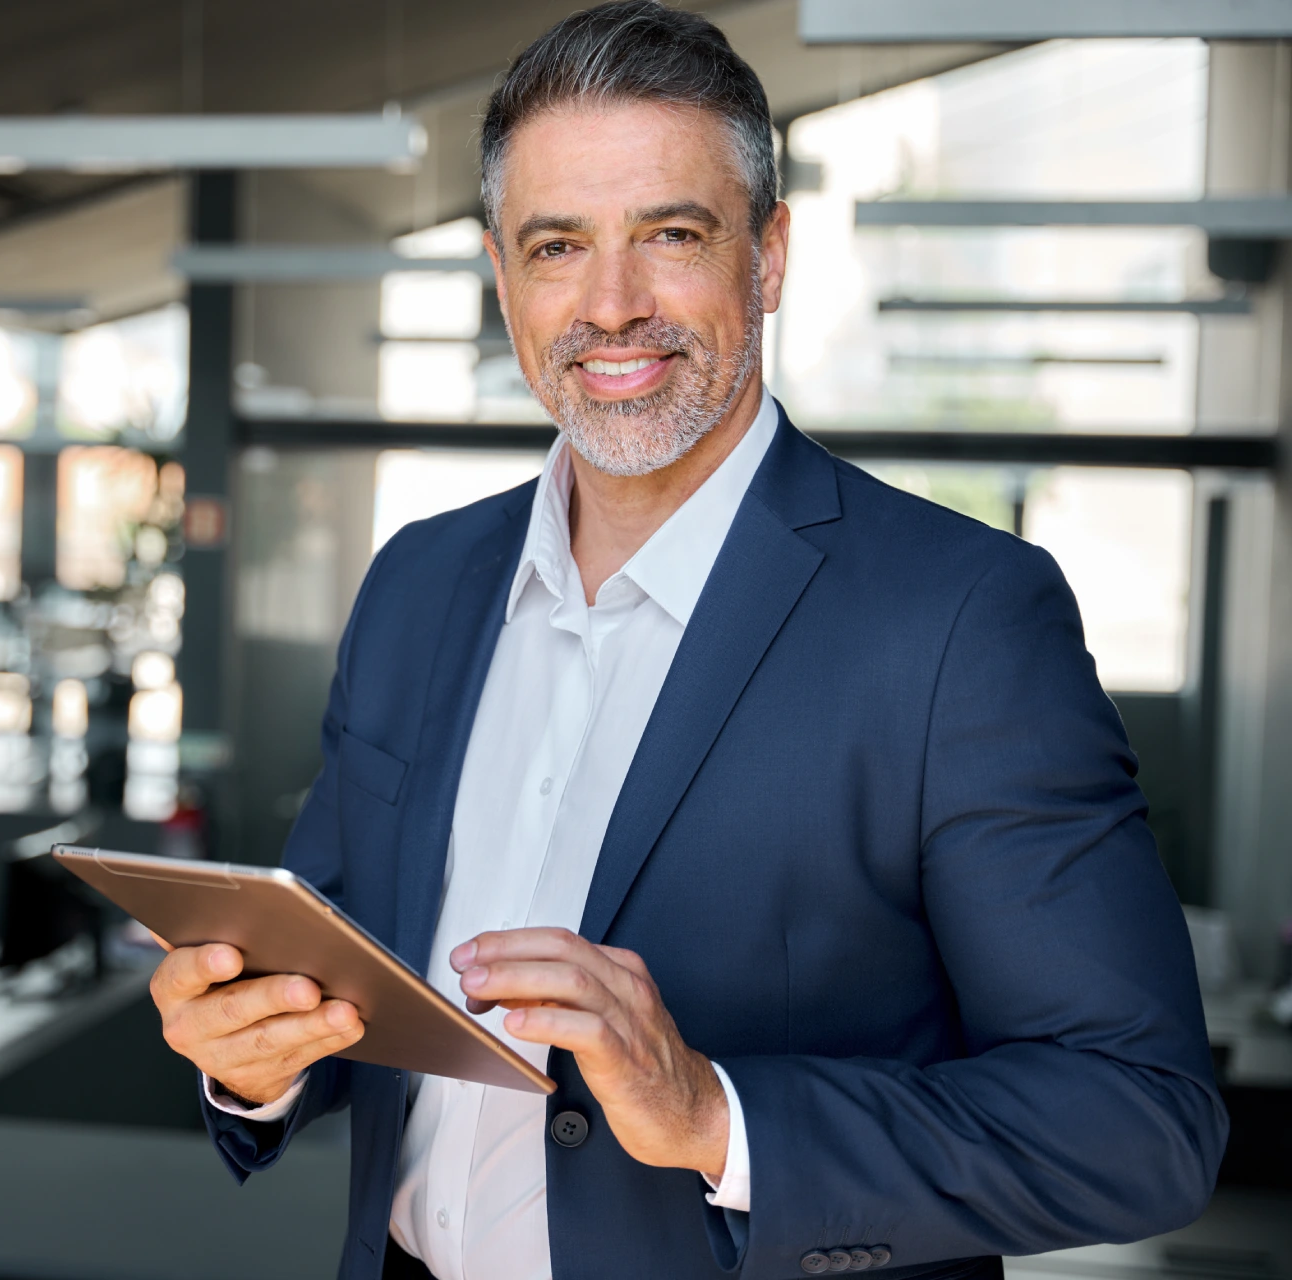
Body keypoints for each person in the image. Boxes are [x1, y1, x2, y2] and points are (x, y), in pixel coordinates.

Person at [148, 5, 1228, 1279]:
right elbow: (337, 978)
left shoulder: (959, 618)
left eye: (671, 233)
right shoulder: (417, 585)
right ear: (504, 277)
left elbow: (1139, 1121)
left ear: (767, 257)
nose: (611, 305)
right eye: (559, 244)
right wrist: (250, 1056)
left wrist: (719, 1113)